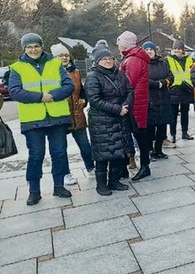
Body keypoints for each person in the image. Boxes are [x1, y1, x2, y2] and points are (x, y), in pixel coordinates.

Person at [9, 33, 75, 205]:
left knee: (59, 153)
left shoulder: (55, 64)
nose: (33, 49)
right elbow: (15, 91)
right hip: (33, 121)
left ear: (42, 46)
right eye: (29, 47)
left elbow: (69, 86)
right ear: (24, 49)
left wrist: (51, 96)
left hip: (57, 118)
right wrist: (40, 97)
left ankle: (59, 186)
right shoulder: (16, 68)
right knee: (36, 155)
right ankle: (34, 191)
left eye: (36, 46)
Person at [85, 47, 135, 196]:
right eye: (104, 59)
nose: (108, 61)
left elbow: (130, 91)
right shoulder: (93, 76)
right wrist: (117, 109)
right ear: (97, 61)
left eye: (110, 58)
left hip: (121, 118)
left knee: (119, 153)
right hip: (102, 121)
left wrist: (126, 105)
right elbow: (94, 100)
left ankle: (114, 180)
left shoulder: (119, 74)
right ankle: (101, 185)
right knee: (103, 154)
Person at [51, 43, 95, 182]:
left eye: (66, 55)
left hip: (77, 113)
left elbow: (82, 90)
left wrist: (84, 101)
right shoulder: (50, 72)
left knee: (84, 144)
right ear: (54, 58)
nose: (64, 57)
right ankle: (66, 174)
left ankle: (90, 167)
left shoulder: (75, 72)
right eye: (60, 55)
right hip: (60, 114)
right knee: (60, 147)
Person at [116, 30, 152, 181]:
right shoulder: (132, 57)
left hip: (136, 104)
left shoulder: (133, 60)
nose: (117, 46)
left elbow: (129, 82)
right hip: (137, 102)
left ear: (124, 44)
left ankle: (145, 167)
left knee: (140, 136)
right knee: (139, 135)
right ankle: (142, 165)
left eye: (119, 43)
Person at [142, 41, 174, 161]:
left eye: (151, 49)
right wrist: (157, 84)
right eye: (146, 49)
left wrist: (165, 83)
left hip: (164, 98)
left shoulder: (163, 62)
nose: (149, 51)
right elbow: (143, 80)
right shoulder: (142, 63)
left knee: (162, 127)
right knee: (150, 128)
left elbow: (171, 77)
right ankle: (150, 150)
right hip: (150, 99)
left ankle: (159, 150)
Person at [167, 40, 194, 142]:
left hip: (186, 88)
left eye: (179, 49)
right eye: (175, 48)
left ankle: (184, 132)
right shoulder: (168, 59)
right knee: (173, 114)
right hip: (174, 89)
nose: (177, 50)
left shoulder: (189, 59)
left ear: (183, 50)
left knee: (185, 112)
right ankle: (172, 134)